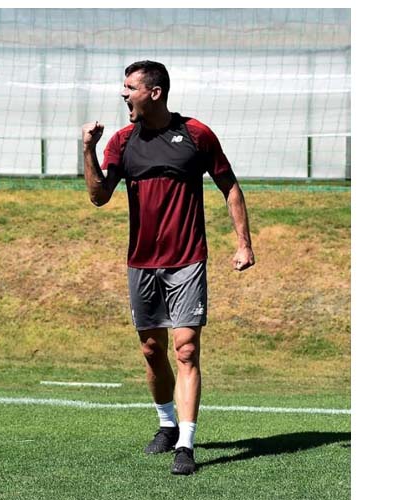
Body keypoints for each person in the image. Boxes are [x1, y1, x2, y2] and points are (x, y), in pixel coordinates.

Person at [81, 60, 254, 475]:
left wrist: (244, 243)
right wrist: (87, 150)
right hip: (141, 261)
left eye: (130, 88)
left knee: (186, 349)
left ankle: (186, 446)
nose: (123, 94)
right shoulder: (122, 141)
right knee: (151, 349)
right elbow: (99, 196)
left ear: (154, 93)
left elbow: (229, 186)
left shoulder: (196, 134)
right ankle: (166, 424)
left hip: (187, 259)